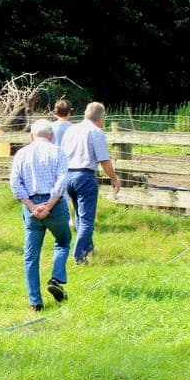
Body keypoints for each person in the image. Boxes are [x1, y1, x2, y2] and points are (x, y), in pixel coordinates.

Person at [9, 119, 71, 311]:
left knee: (31, 255)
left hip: (31, 208)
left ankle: (35, 301)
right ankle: (56, 278)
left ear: (31, 135)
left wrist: (31, 206)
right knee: (63, 241)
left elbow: (15, 183)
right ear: (51, 136)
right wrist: (49, 205)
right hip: (55, 206)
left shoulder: (21, 154)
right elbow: (62, 180)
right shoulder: (58, 151)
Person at [59, 101, 121, 265]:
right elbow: (104, 160)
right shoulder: (96, 132)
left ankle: (88, 247)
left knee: (80, 215)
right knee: (87, 220)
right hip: (85, 176)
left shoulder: (71, 130)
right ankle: (79, 256)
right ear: (101, 118)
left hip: (68, 175)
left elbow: (62, 154)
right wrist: (114, 178)